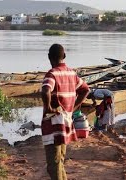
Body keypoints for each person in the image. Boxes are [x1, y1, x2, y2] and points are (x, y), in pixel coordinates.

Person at [41, 44, 90, 180]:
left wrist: (48, 108)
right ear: (64, 56)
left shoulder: (52, 74)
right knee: (60, 160)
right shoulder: (71, 73)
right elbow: (86, 89)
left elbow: (45, 90)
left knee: (54, 164)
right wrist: (74, 107)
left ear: (49, 57)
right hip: (66, 122)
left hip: (54, 124)